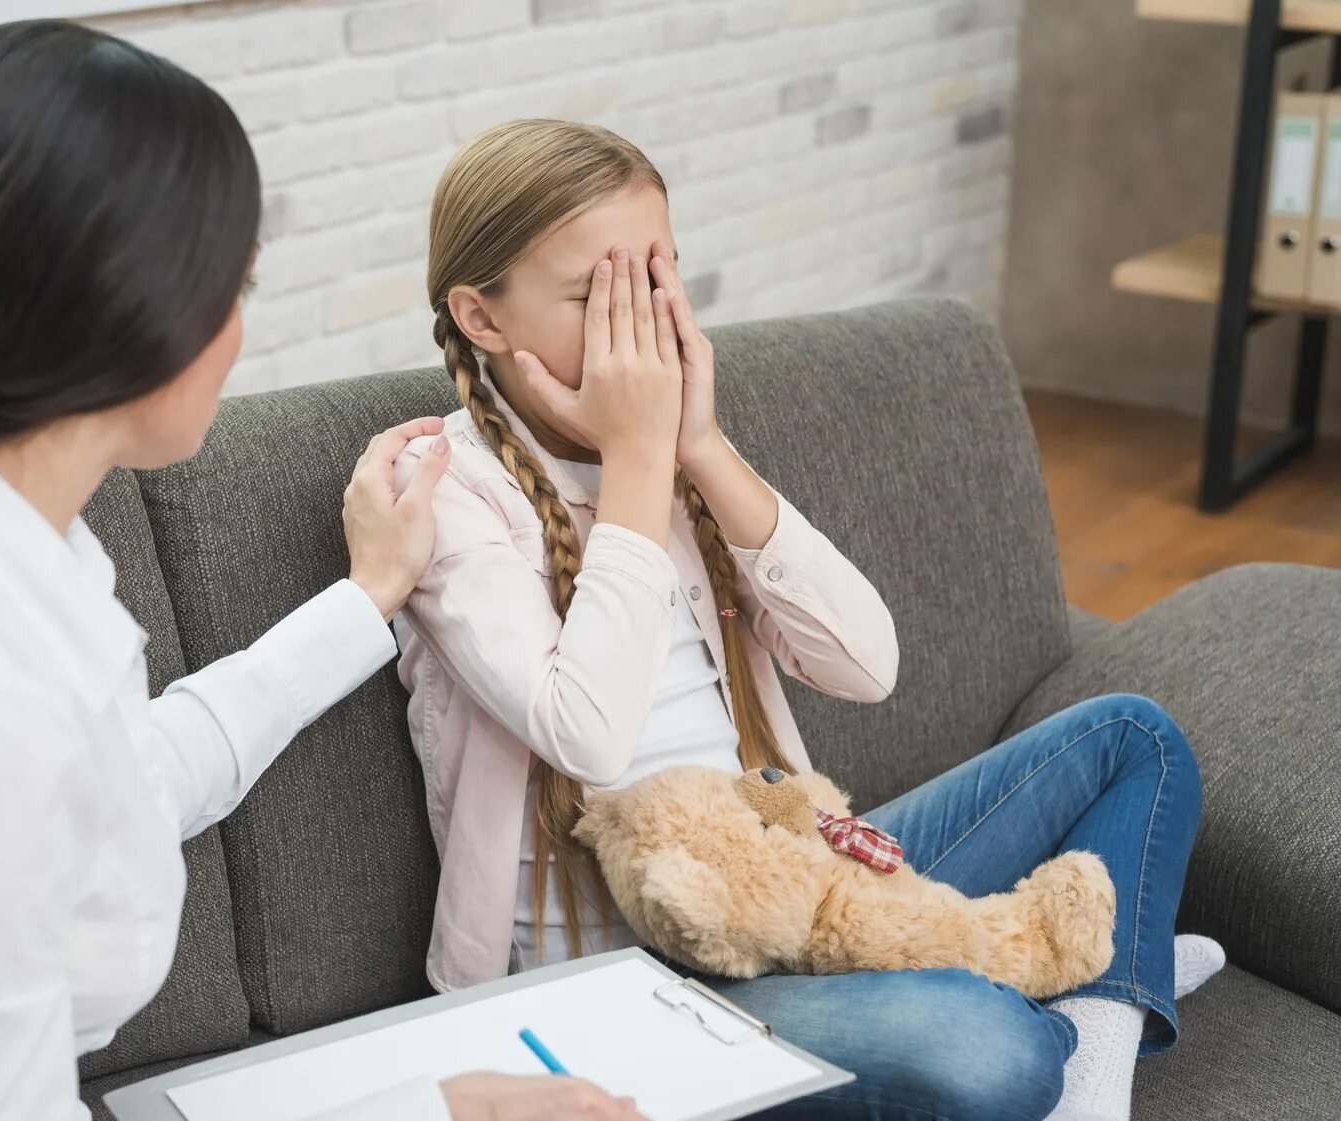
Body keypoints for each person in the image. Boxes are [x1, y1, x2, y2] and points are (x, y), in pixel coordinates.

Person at [0, 25, 645, 1121]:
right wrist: (435, 1110)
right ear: (139, 308)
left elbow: (127, 775)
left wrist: (367, 597)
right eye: (237, 287)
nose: (238, 333)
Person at [389, 118, 1227, 1121]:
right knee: (986, 1052)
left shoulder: (679, 463)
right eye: (594, 297)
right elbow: (587, 730)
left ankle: (1100, 1024)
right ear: (482, 318)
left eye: (658, 281)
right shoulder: (444, 496)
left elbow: (867, 663)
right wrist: (639, 456)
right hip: (642, 984)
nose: (643, 328)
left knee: (1134, 735)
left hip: (794, 879)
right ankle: (1080, 978)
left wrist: (700, 447)